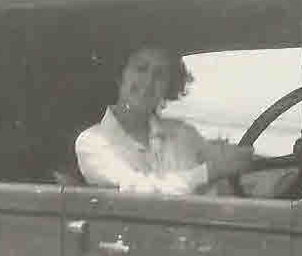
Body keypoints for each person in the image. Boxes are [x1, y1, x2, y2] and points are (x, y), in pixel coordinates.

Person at [75, 46, 254, 194]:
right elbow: (140, 193)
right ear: (120, 75)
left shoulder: (184, 134)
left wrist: (238, 158)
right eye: (141, 69)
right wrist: (208, 172)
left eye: (159, 74)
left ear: (168, 86)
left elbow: (225, 165)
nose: (148, 81)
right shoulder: (92, 142)